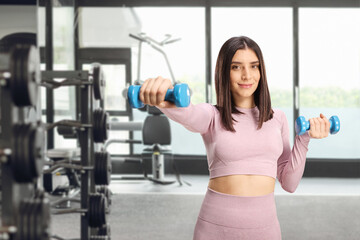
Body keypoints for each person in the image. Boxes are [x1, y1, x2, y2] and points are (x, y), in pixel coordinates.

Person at [139, 36, 330, 240]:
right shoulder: (212, 115)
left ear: (261, 71)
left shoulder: (278, 118)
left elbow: (289, 184)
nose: (247, 75)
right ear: (224, 73)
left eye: (254, 66)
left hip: (265, 229)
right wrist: (161, 99)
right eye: (236, 67)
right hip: (215, 228)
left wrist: (303, 139)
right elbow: (189, 114)